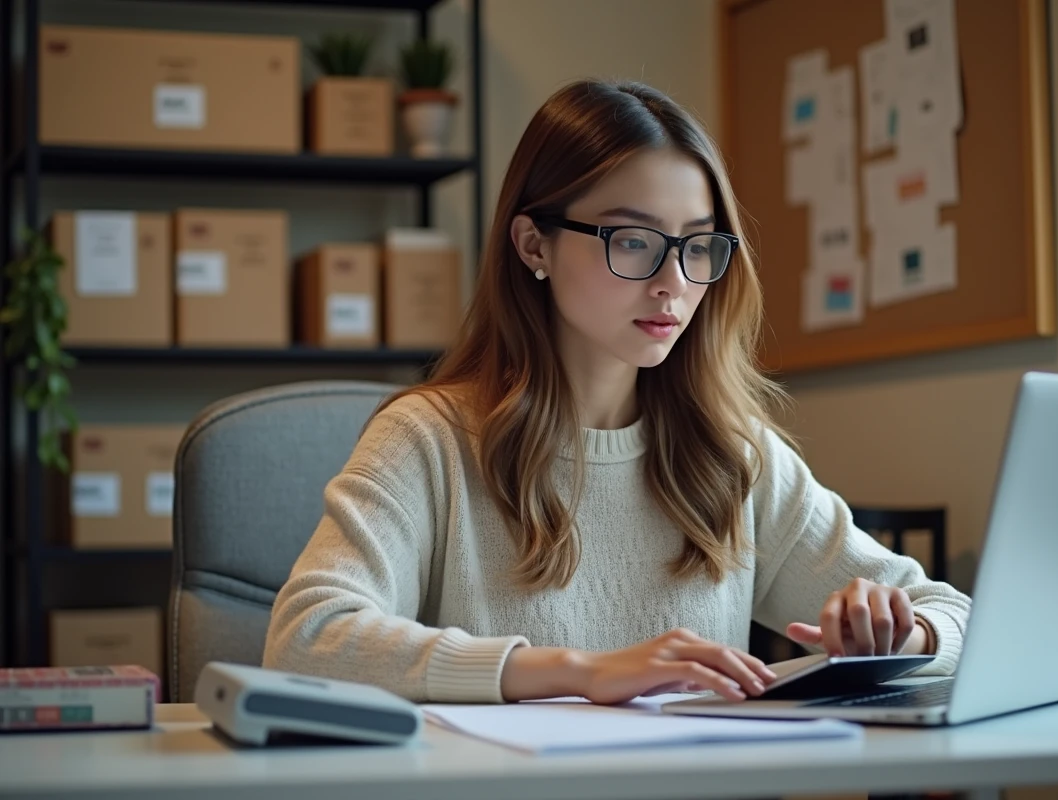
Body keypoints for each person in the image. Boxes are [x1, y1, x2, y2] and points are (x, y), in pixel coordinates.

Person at [262, 79, 971, 705]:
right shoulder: (430, 439)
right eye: (633, 240)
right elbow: (307, 638)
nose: (675, 282)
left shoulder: (732, 452)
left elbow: (955, 614)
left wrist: (904, 632)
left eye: (698, 245)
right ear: (534, 245)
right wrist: (578, 671)